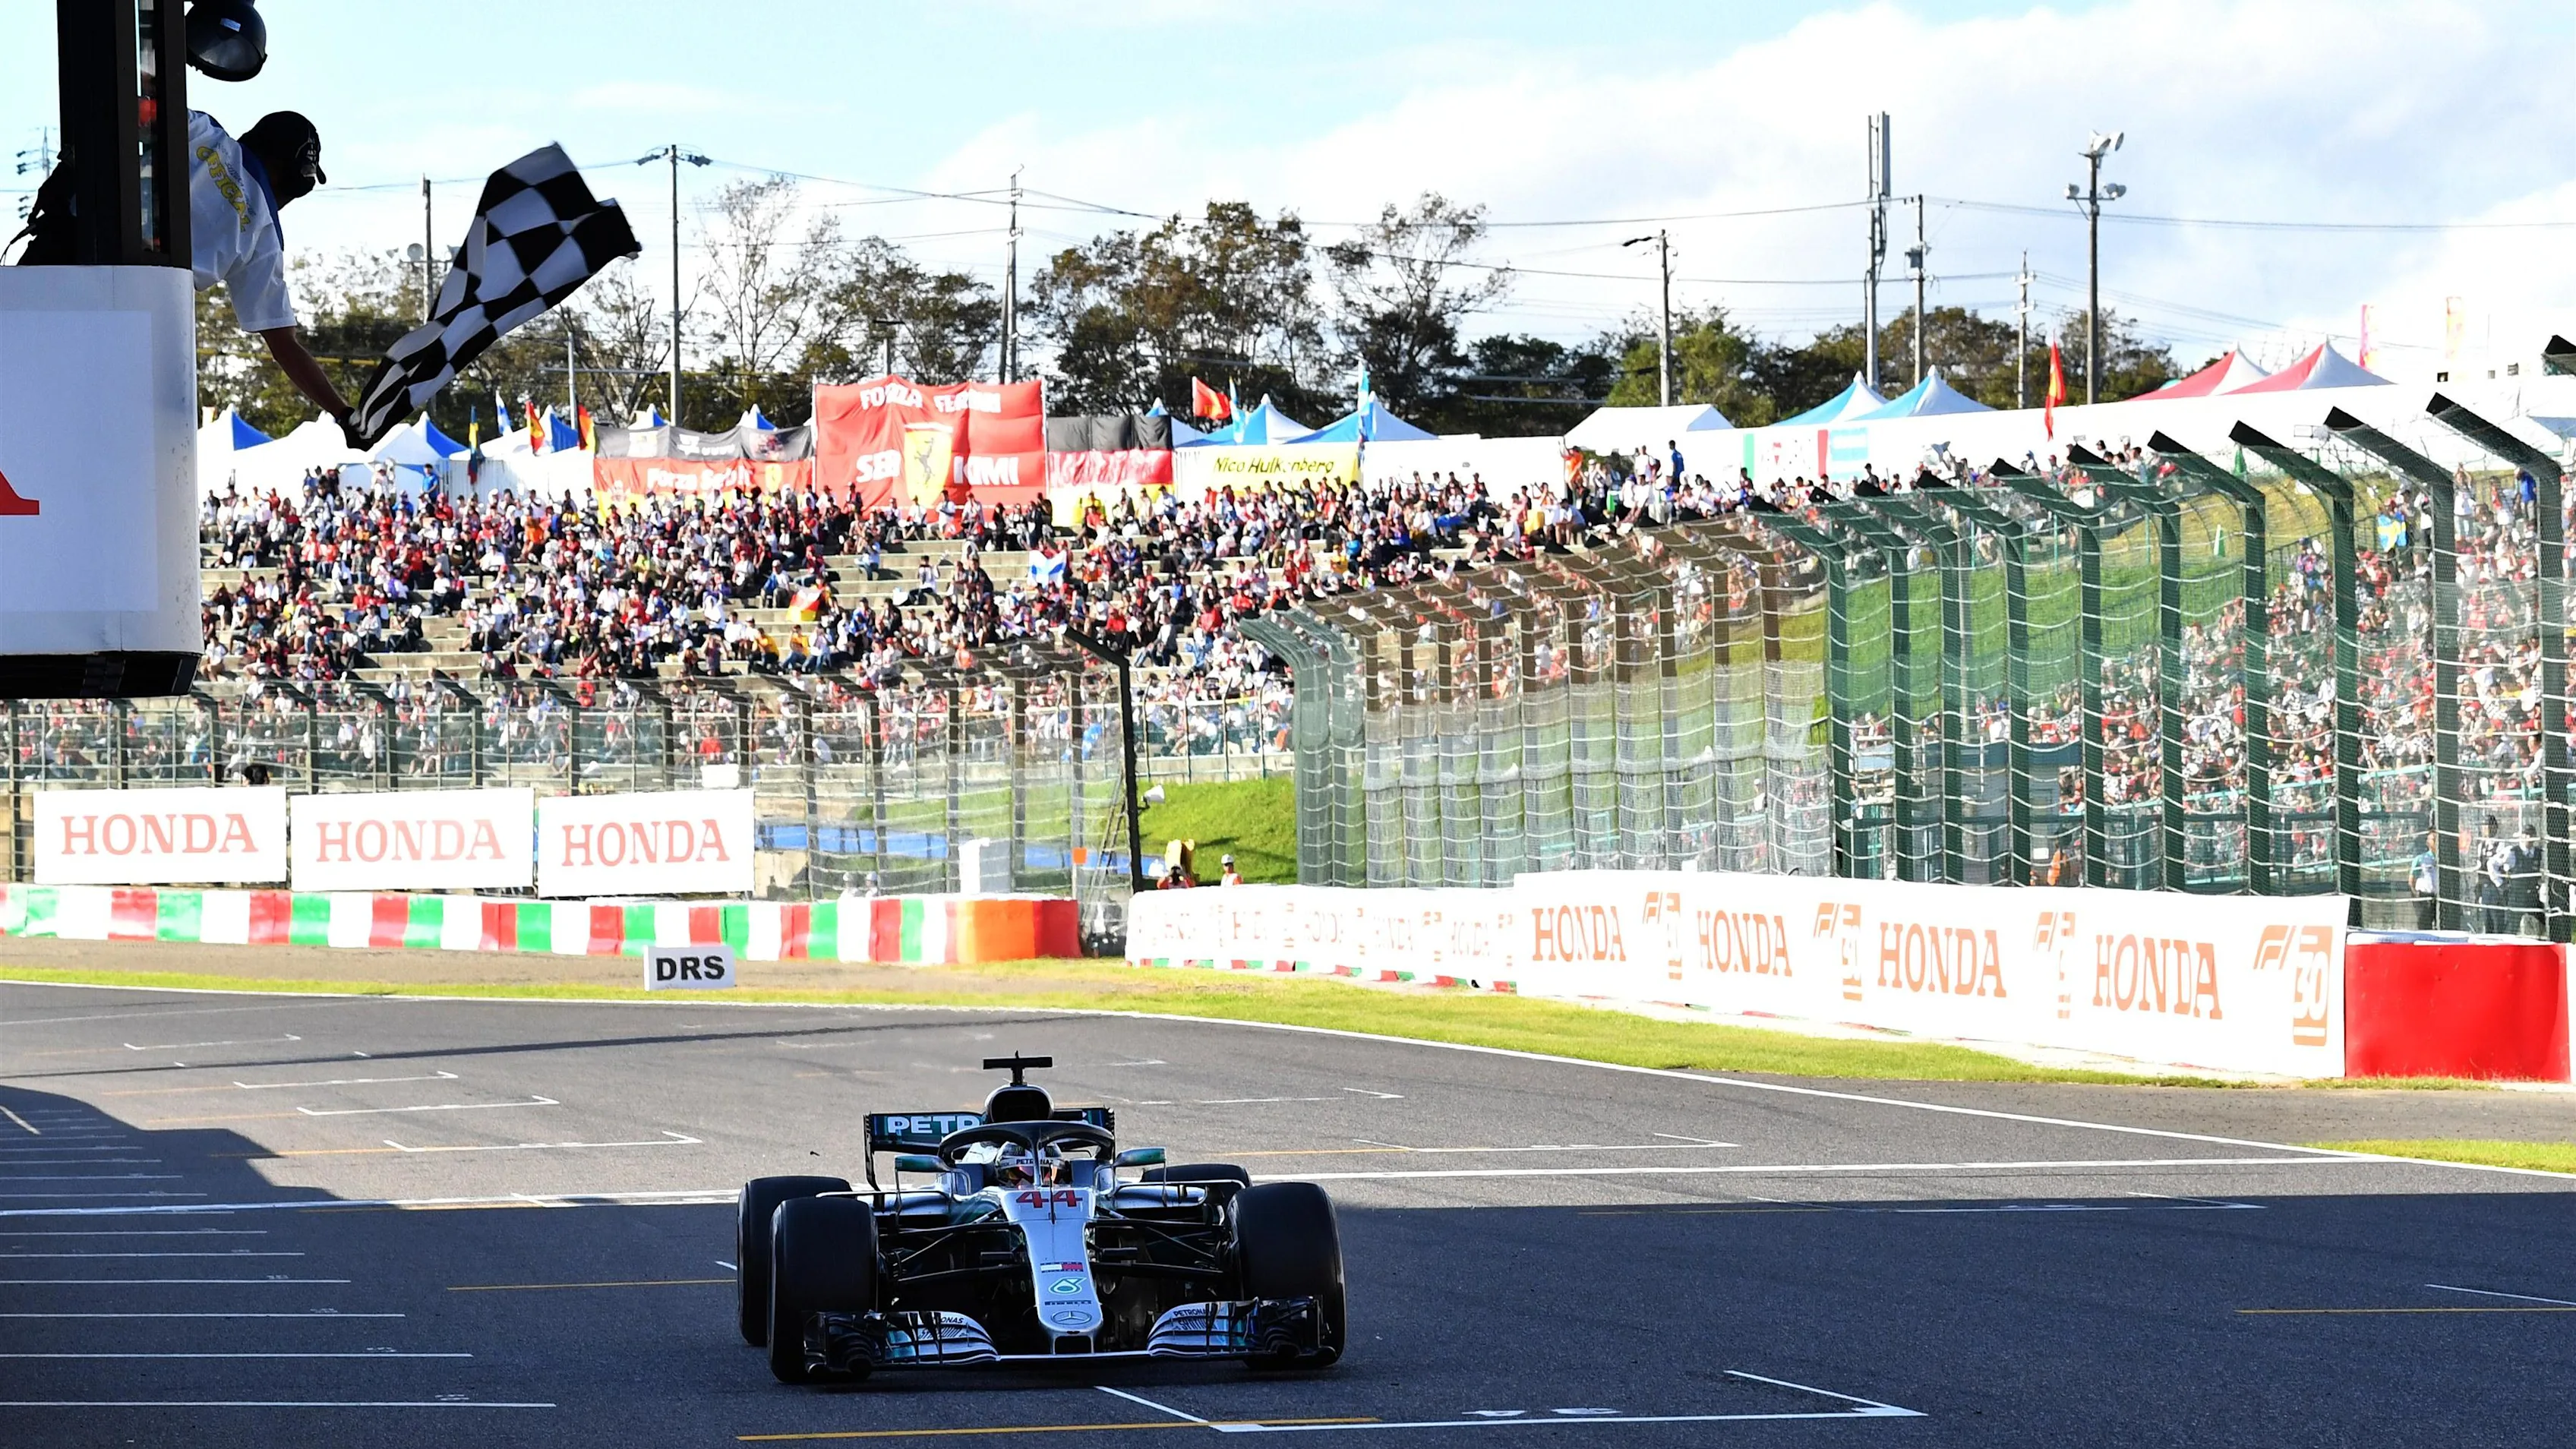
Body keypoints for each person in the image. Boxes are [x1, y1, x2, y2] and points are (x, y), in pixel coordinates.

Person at [186, 110, 356, 436]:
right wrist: (343, 413)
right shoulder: (263, 235)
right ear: (294, 183)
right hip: (146, 303)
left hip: (74, 228)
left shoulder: (204, 130)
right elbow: (285, 347)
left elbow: (138, 110)